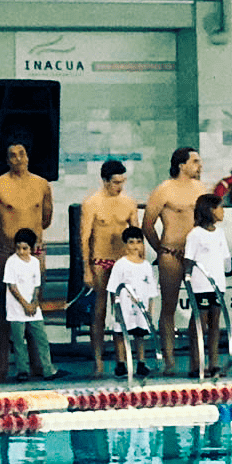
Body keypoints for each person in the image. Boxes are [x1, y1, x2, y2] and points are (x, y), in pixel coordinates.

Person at [0, 138, 53, 381]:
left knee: (34, 306)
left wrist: (31, 244)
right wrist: (2, 243)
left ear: (28, 156)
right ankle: (3, 366)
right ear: (7, 159)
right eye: (12, 155)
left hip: (34, 253)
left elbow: (45, 219)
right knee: (5, 309)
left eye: (22, 153)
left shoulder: (42, 184)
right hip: (7, 252)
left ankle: (37, 365)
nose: (18, 159)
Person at [143, 147, 208, 374]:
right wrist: (161, 249)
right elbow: (147, 225)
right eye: (196, 161)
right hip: (171, 254)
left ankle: (196, 359)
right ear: (182, 165)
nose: (200, 166)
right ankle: (169, 360)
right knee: (168, 308)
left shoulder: (200, 189)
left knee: (200, 308)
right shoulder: (164, 190)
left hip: (194, 255)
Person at [79, 159, 139, 377]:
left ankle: (123, 359)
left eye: (122, 182)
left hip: (124, 262)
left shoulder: (129, 202)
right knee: (100, 311)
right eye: (115, 182)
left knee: (125, 311)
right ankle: (98, 359)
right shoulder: (92, 203)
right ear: (104, 181)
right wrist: (86, 268)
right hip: (101, 260)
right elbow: (84, 238)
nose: (120, 186)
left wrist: (138, 263)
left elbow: (136, 235)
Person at [183, 194, 229, 378]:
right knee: (199, 325)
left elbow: (224, 258)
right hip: (200, 285)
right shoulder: (195, 234)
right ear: (210, 210)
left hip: (217, 285)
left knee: (215, 324)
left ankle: (214, 363)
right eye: (220, 207)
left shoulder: (220, 233)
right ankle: (196, 364)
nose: (223, 211)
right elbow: (188, 259)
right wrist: (187, 281)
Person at [4, 227, 56, 382]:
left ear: (32, 248)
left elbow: (36, 285)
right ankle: (22, 370)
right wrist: (24, 304)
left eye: (25, 248)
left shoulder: (34, 262)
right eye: (18, 248)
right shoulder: (11, 262)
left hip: (33, 309)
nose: (21, 252)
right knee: (19, 341)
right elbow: (12, 286)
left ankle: (47, 368)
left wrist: (34, 302)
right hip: (16, 308)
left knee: (42, 339)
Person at [105, 226, 157, 377]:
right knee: (120, 334)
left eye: (138, 242)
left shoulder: (146, 266)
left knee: (140, 335)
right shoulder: (120, 265)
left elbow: (152, 291)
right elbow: (113, 289)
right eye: (131, 242)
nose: (135, 246)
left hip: (141, 308)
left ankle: (141, 363)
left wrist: (150, 311)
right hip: (124, 308)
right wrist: (116, 310)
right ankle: (121, 364)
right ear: (125, 245)